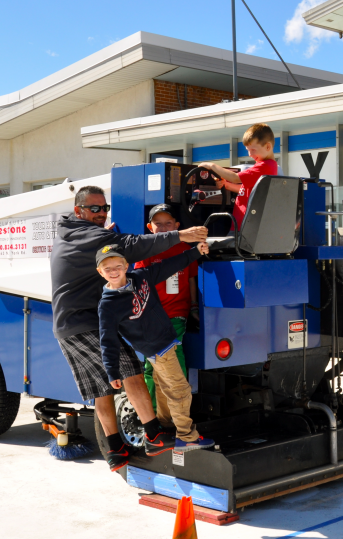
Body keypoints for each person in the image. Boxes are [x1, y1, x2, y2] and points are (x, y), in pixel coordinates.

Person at [51, 186, 208, 472]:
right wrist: (182, 236)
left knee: (101, 389)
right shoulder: (91, 236)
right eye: (94, 209)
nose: (101, 214)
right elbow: (133, 244)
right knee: (132, 372)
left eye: (105, 208)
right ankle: (153, 434)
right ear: (79, 211)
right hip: (86, 322)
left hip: (66, 325)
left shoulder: (70, 233)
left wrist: (106, 235)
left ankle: (115, 450)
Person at [96, 243, 215, 453]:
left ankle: (167, 426)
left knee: (164, 387)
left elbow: (172, 264)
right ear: (100, 272)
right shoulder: (108, 304)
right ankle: (187, 436)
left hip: (166, 340)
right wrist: (112, 371)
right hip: (157, 349)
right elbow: (108, 339)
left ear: (126, 265)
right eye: (108, 268)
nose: (114, 272)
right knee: (180, 390)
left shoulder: (141, 277)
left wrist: (196, 251)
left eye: (117, 266)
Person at [134, 204, 198, 413]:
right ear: (149, 227)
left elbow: (191, 279)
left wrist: (194, 306)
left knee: (174, 361)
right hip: (153, 316)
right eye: (158, 224)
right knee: (151, 365)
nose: (163, 228)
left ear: (177, 226)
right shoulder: (147, 250)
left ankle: (177, 412)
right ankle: (152, 413)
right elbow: (139, 283)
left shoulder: (185, 249)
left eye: (168, 223)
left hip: (177, 314)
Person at [197, 122, 278, 231]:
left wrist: (212, 166)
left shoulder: (265, 166)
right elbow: (247, 189)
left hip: (245, 227)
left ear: (268, 146)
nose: (250, 154)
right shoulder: (266, 166)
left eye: (253, 150)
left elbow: (235, 177)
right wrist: (227, 185)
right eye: (248, 150)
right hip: (242, 225)